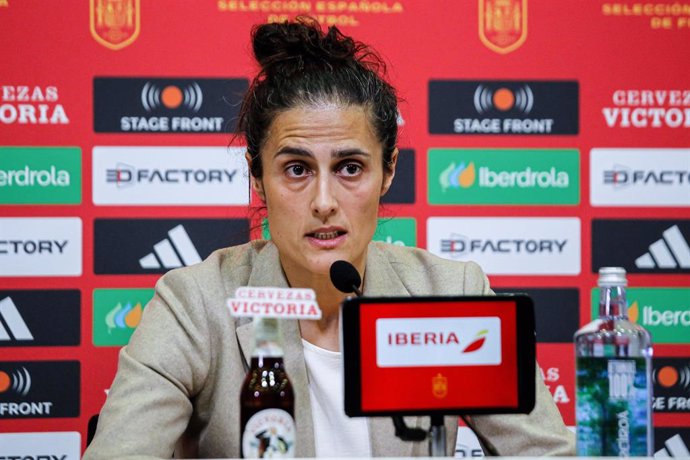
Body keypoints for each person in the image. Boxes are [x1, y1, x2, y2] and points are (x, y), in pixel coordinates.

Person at [84, 17, 575, 458]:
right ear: (258, 176)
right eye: (296, 169)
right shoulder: (197, 304)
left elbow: (548, 455)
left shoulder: (448, 294)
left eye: (350, 168)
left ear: (388, 172)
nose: (323, 200)